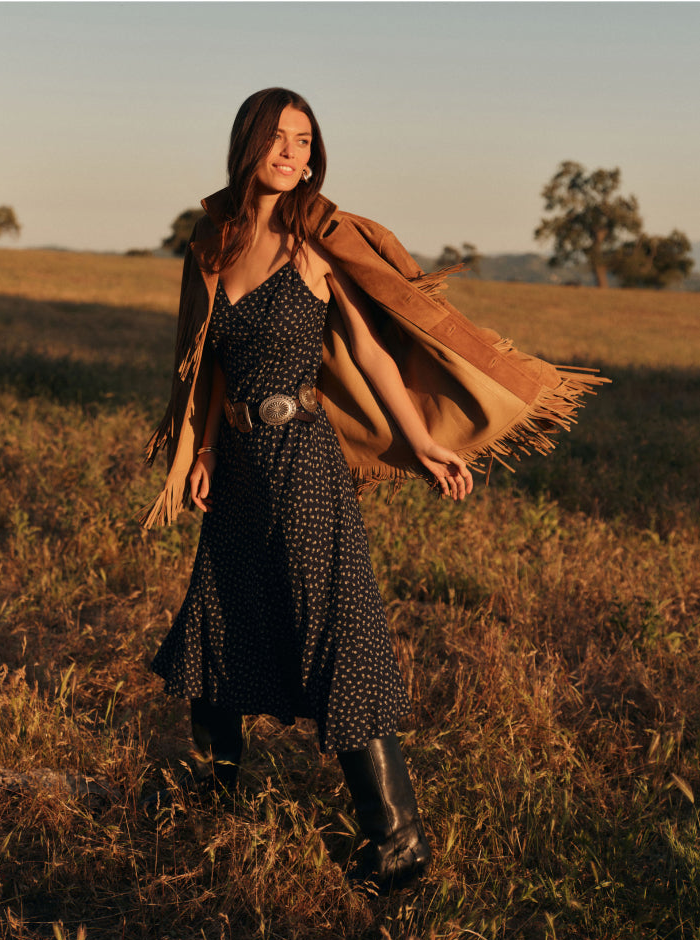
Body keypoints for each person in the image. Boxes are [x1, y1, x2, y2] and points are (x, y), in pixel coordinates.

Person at [143, 87, 601, 891]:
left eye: (305, 140)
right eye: (278, 138)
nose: (293, 153)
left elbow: (374, 353)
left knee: (334, 628)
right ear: (247, 143)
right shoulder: (211, 242)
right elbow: (207, 362)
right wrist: (208, 447)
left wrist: (422, 443)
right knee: (219, 614)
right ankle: (211, 799)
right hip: (242, 464)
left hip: (305, 462)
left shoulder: (315, 245)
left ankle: (396, 840)